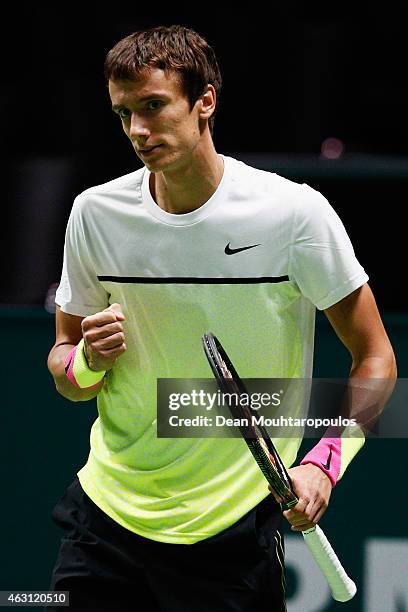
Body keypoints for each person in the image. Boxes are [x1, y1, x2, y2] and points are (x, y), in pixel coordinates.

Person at [46, 24, 396, 612]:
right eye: (124, 113)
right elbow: (66, 373)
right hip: (107, 517)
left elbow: (377, 358)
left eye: (153, 107)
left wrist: (324, 462)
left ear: (205, 100)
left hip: (230, 528)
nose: (137, 130)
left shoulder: (293, 215)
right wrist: (87, 360)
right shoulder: (95, 214)